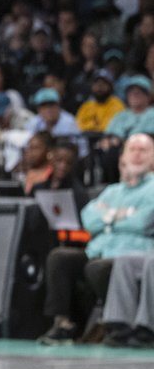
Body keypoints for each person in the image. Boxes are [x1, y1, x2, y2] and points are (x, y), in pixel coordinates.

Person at [39, 133, 154, 345]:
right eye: (132, 150)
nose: (137, 155)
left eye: (143, 150)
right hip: (98, 250)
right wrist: (123, 214)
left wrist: (107, 216)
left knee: (97, 268)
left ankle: (110, 323)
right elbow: (88, 220)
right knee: (60, 258)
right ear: (123, 157)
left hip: (129, 252)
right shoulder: (112, 191)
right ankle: (63, 322)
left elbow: (143, 222)